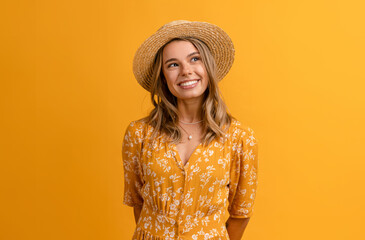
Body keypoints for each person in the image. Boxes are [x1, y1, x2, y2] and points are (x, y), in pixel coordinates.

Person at [122, 20, 259, 240]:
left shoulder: (240, 138)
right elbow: (137, 202)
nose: (186, 71)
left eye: (195, 59)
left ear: (208, 67)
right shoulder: (139, 134)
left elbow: (241, 214)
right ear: (163, 77)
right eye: (173, 64)